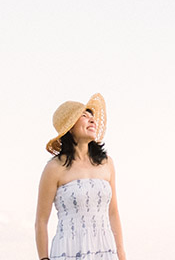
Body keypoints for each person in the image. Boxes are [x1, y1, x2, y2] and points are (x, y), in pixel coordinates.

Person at [35, 93, 127, 260]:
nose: (92, 120)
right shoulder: (54, 168)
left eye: (92, 116)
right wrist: (43, 258)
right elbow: (41, 220)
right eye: (84, 116)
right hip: (69, 249)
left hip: (104, 249)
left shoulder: (107, 163)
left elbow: (113, 212)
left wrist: (121, 254)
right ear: (69, 127)